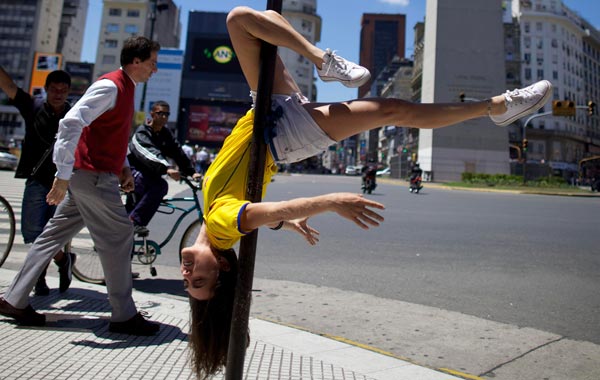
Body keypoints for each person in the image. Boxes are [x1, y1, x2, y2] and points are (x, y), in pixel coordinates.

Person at [180, 6, 553, 378]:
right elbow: (261, 213)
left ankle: (322, 59)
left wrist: (286, 224)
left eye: (187, 281)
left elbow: (259, 212)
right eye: (200, 279)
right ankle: (498, 107)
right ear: (224, 266)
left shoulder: (212, 219)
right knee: (392, 109)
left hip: (265, 112)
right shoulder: (221, 225)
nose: (187, 272)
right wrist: (329, 202)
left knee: (241, 20)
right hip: (282, 133)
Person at [0, 36, 161, 336]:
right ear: (136, 61)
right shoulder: (111, 85)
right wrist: (61, 175)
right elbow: (71, 122)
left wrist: (123, 166)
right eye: (152, 62)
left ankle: (14, 298)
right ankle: (124, 315)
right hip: (93, 177)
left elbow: (109, 134)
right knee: (121, 235)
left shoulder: (127, 88)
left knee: (51, 236)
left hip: (93, 176)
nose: (155, 68)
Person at [0, 67, 74, 296]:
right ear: (46, 89)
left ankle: (38, 279)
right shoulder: (33, 107)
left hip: (62, 184)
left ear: (68, 91)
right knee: (33, 233)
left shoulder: (74, 115)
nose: (58, 94)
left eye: (63, 90)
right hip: (36, 180)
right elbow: (10, 87)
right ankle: (63, 260)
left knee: (50, 234)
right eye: (54, 89)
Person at [127, 100, 202, 233]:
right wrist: (166, 168)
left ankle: (125, 239)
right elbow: (149, 153)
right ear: (152, 114)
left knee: (134, 208)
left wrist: (192, 172)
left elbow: (178, 153)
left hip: (150, 176)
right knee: (160, 186)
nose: (164, 117)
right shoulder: (142, 133)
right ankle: (135, 221)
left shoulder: (165, 134)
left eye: (167, 114)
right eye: (160, 113)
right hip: (134, 173)